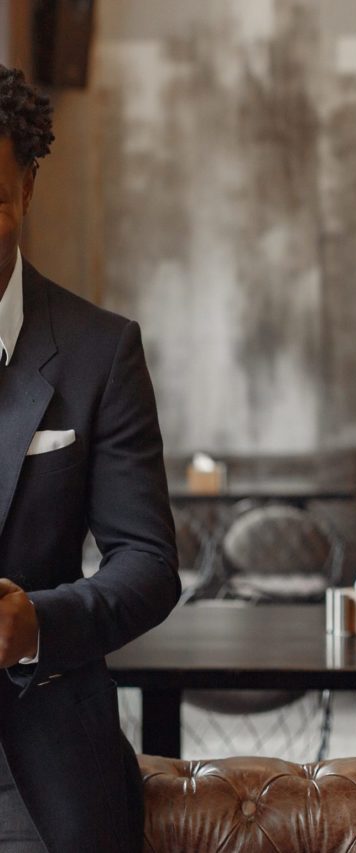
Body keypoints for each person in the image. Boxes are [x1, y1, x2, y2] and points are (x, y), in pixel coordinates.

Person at [0, 66, 180, 851]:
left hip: (37, 767)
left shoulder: (101, 352)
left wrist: (36, 622)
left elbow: (146, 562)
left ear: (28, 187)